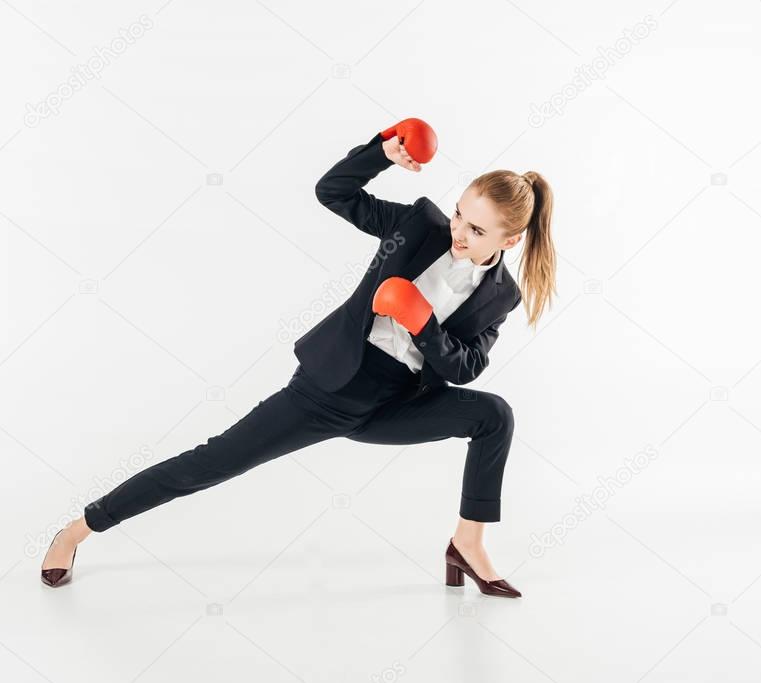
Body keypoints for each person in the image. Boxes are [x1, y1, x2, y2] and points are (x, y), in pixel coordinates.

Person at [40, 118, 557, 597]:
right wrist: (382, 152)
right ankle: (79, 529)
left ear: (509, 240)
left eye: (476, 231)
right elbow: (333, 193)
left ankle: (468, 543)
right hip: (329, 390)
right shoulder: (420, 224)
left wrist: (421, 322)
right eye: (460, 214)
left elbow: (464, 368)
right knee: (211, 463)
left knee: (494, 416)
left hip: (396, 404)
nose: (458, 233)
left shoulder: (501, 296)